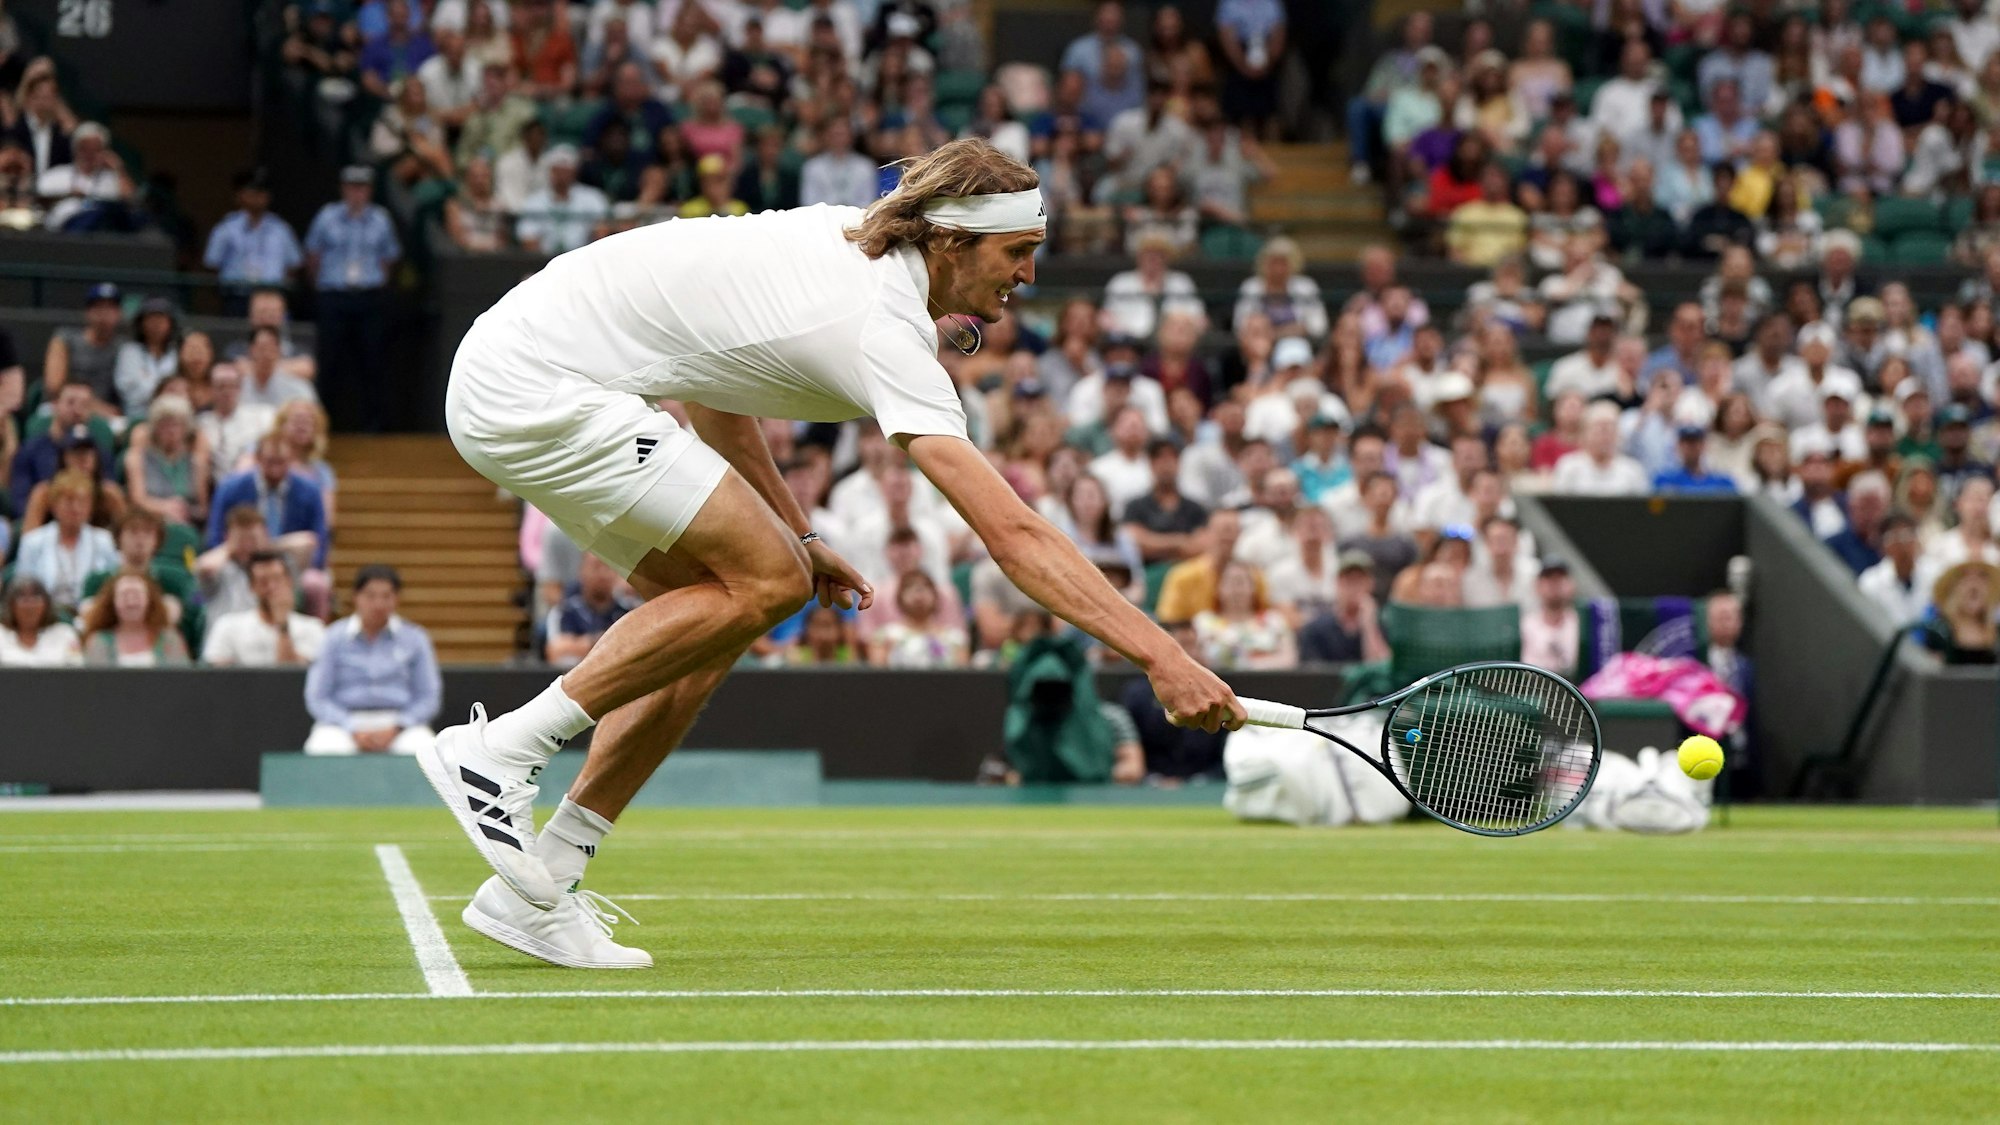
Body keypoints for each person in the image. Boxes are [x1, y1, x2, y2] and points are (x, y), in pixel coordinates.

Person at [431, 139, 1242, 964]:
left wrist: (803, 533)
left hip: (526, 376)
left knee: (724, 609)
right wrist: (1160, 654)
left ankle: (548, 876)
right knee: (764, 580)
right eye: (1018, 252)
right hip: (533, 384)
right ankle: (499, 750)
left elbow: (716, 396)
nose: (1028, 275)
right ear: (954, 243)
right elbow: (1014, 533)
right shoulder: (881, 326)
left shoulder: (858, 247)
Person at [304, 566, 442, 754]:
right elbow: (317, 696)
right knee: (323, 748)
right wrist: (350, 726)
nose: (378, 604)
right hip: (344, 720)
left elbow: (428, 697)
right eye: (370, 596)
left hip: (399, 720)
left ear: (397, 599)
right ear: (356, 597)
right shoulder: (333, 637)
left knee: (425, 750)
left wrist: (398, 726)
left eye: (386, 596)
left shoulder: (415, 638)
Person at [305, 166, 402, 432]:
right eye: (351, 186)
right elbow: (313, 257)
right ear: (343, 188)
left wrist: (378, 286)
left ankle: (374, 425)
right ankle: (322, 423)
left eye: (362, 187)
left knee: (373, 361)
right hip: (334, 296)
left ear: (369, 190)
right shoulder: (327, 217)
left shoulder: (381, 219)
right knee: (329, 361)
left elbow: (389, 260)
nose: (357, 192)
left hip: (369, 298)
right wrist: (321, 289)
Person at [13, 470, 119, 614]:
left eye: (82, 502)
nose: (76, 508)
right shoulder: (33, 542)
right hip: (45, 616)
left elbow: (113, 585)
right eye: (69, 501)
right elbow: (23, 587)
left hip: (91, 615)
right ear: (54, 505)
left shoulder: (104, 540)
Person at [202, 549, 327, 666]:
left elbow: (292, 678)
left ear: (289, 581)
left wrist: (283, 625)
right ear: (251, 587)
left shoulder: (313, 628)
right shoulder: (227, 626)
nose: (271, 587)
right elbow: (217, 677)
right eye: (263, 581)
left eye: (277, 579)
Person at [544, 552, 638, 667]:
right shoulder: (565, 612)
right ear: (582, 571)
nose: (603, 574)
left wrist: (579, 644)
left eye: (608, 567)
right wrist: (603, 642)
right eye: (596, 567)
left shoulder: (629, 611)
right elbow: (556, 651)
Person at [1296, 548, 1389, 664]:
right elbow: (1311, 674)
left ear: (1370, 584)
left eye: (1359, 580)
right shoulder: (1316, 629)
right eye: (1348, 580)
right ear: (1337, 583)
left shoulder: (1384, 626)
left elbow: (1382, 670)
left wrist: (1369, 626)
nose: (1354, 587)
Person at [80, 570, 190, 667]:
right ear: (113, 602)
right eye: (124, 596)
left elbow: (183, 681)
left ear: (149, 600)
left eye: (137, 595)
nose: (131, 602)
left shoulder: (170, 639)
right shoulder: (99, 642)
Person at [1551, 401, 1651, 495]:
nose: (1605, 435)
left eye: (1611, 428)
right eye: (1599, 428)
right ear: (1584, 433)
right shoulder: (1569, 468)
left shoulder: (1633, 471)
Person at [1858, 513, 1934, 625]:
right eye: (1894, 539)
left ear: (1917, 541)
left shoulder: (1935, 573)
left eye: (1907, 536)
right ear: (1883, 546)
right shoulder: (1870, 582)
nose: (1902, 545)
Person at [1927, 561, 1999, 664]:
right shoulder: (1939, 632)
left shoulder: (1997, 633)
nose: (1974, 584)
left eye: (1982, 577)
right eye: (1965, 577)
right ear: (1953, 588)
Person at [0, 576, 82, 667]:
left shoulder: (66, 634)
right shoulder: (1, 634)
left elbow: (77, 672)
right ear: (11, 605)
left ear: (46, 604)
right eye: (23, 598)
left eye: (36, 597)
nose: (30, 605)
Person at [1519, 556, 1579, 677]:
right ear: (1537, 586)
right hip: (1534, 691)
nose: (1554, 584)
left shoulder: (1583, 622)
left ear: (1571, 585)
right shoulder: (1526, 624)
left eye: (1560, 578)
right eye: (1549, 578)